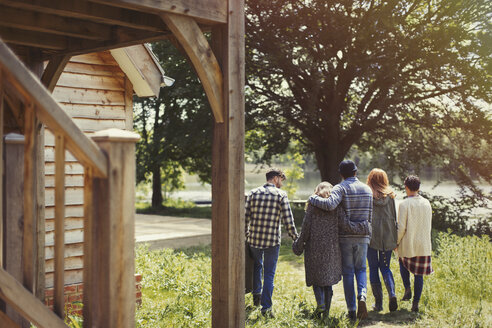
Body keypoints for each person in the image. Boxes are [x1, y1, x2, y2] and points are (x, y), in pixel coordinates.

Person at [308, 160, 373, 320]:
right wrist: (368, 233)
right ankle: (362, 296)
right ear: (356, 172)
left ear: (341, 174)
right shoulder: (367, 189)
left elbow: (329, 205)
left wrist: (312, 198)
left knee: (349, 272)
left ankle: (351, 310)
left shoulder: (340, 188)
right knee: (362, 269)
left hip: (346, 237)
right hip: (363, 235)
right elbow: (370, 215)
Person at [245, 168, 298, 316]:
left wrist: (246, 235)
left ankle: (257, 296)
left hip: (254, 240)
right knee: (269, 274)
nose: (281, 183)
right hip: (272, 241)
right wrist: (295, 238)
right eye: (281, 180)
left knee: (257, 266)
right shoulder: (281, 195)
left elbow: (245, 217)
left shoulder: (253, 193)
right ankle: (266, 308)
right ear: (275, 178)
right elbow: (288, 220)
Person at [292, 182, 342, 318]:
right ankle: (326, 313)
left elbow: (306, 227)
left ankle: (320, 304)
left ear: (317, 191)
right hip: (331, 248)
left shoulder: (312, 206)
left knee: (316, 279)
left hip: (314, 247)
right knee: (328, 280)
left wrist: (298, 244)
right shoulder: (336, 206)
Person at [396, 175, 433, 312]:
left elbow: (401, 228)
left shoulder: (404, 204)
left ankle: (407, 289)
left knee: (402, 262)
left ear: (406, 187)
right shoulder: (427, 203)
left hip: (408, 244)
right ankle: (415, 303)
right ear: (418, 187)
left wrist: (396, 242)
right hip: (423, 245)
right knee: (419, 275)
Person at [366, 168, 398, 312]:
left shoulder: (368, 196)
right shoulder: (391, 196)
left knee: (373, 268)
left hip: (372, 237)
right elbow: (394, 218)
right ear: (384, 180)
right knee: (385, 267)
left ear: (370, 180)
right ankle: (392, 294)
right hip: (387, 236)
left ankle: (378, 304)